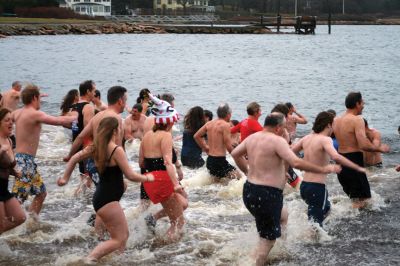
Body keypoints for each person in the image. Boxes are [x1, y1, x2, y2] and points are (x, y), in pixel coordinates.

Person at [231, 112, 340, 266]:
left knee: (283, 215)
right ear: (278, 128)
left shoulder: (252, 138)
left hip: (249, 190)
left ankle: (279, 251)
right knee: (267, 239)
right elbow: (295, 162)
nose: (285, 130)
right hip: (267, 194)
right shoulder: (277, 141)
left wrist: (247, 172)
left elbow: (235, 154)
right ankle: (257, 261)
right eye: (284, 127)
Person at [58, 117, 154, 263]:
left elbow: (73, 159)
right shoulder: (116, 150)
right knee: (119, 238)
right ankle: (88, 260)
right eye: (120, 128)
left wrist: (65, 178)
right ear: (115, 130)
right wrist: (147, 178)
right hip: (107, 200)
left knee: (123, 235)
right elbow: (130, 175)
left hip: (102, 198)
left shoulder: (96, 147)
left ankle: (118, 259)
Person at [292, 111, 366, 227]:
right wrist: (356, 166)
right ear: (328, 125)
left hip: (304, 186)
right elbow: (335, 156)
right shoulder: (326, 140)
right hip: (317, 187)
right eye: (334, 124)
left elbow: (290, 152)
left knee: (326, 208)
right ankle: (312, 241)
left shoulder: (306, 138)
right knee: (316, 225)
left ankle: (310, 228)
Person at [11, 84, 75, 217]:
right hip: (24, 162)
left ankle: (30, 223)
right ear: (34, 98)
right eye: (39, 98)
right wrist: (77, 116)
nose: (40, 101)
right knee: (19, 199)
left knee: (41, 193)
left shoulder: (17, 112)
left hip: (22, 160)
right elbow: (58, 121)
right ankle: (8, 227)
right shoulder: (35, 114)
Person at [140, 94, 188, 240]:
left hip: (149, 180)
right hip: (162, 180)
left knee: (183, 202)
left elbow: (141, 162)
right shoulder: (166, 136)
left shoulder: (147, 135)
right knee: (178, 222)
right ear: (169, 121)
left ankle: (153, 219)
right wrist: (175, 184)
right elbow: (168, 161)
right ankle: (165, 248)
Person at [333, 92, 390, 208]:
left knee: (355, 200)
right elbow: (363, 144)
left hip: (340, 162)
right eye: (362, 102)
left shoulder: (336, 120)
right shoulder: (357, 120)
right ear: (357, 104)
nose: (363, 105)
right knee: (364, 201)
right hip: (353, 161)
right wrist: (380, 148)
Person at [65, 86, 128, 185]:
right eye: (125, 100)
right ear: (120, 101)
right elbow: (118, 146)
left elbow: (80, 137)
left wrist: (70, 155)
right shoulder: (117, 119)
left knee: (110, 190)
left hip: (91, 164)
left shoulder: (97, 116)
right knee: (115, 190)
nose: (126, 104)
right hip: (105, 165)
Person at [194, 103, 241, 180]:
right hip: (219, 161)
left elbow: (196, 136)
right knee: (239, 178)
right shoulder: (225, 125)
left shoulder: (209, 123)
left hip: (209, 160)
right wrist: (238, 157)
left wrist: (205, 147)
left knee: (218, 184)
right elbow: (227, 144)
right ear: (228, 114)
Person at [0, 108, 26, 234]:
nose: (11, 123)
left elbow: (7, 165)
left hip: (3, 188)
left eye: (12, 120)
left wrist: (15, 173)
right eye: (6, 120)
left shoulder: (9, 140)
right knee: (2, 223)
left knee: (20, 217)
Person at [70, 80, 96, 184]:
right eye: (93, 90)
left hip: (76, 143)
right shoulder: (88, 107)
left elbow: (73, 126)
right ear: (88, 91)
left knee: (84, 178)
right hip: (86, 146)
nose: (95, 93)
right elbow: (88, 130)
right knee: (88, 178)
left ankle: (81, 198)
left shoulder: (74, 107)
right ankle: (86, 199)